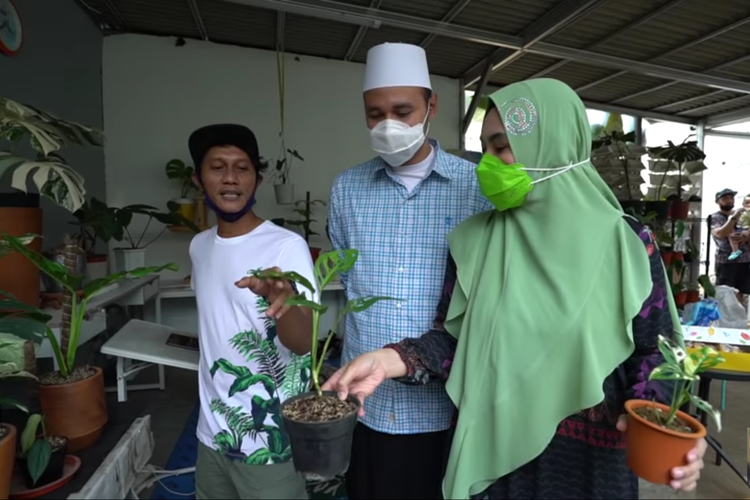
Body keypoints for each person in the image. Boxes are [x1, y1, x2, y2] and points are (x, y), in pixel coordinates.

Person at [324, 79, 707, 500]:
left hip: (585, 471)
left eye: (501, 146)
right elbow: (454, 342)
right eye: (484, 146)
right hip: (492, 464)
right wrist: (389, 359)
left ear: (554, 142)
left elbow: (660, 352)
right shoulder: (475, 243)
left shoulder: (626, 244)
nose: (488, 163)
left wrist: (659, 423)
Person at [327, 42, 492, 499]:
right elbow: (348, 281)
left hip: (448, 405)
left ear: (431, 107)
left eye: (402, 111)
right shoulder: (347, 189)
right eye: (375, 113)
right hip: (366, 406)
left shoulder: (476, 190)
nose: (388, 126)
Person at [188, 124, 315, 499]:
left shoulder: (285, 248)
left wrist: (286, 299)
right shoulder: (198, 246)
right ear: (199, 179)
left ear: (256, 180)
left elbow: (304, 343)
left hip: (268, 440)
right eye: (217, 167)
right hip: (212, 431)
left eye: (242, 168)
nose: (231, 178)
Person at [711, 188, 750, 302]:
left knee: (742, 292)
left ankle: (739, 317)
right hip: (726, 261)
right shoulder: (714, 217)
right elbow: (720, 233)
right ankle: (725, 318)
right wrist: (733, 218)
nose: (729, 200)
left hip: (745, 260)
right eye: (725, 198)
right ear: (718, 202)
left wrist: (747, 236)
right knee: (725, 292)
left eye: (731, 198)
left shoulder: (743, 215)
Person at [727, 194, 750, 260]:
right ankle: (735, 250)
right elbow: (734, 220)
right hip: (740, 229)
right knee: (731, 237)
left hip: (747, 229)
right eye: (747, 203)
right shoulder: (739, 211)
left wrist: (748, 231)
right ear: (743, 204)